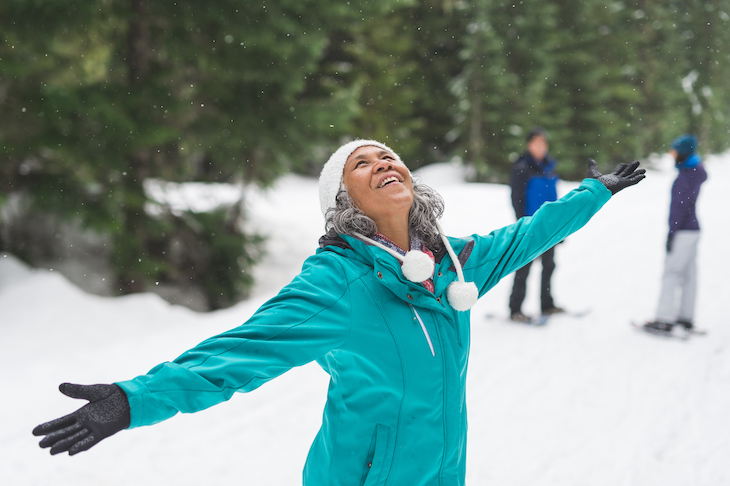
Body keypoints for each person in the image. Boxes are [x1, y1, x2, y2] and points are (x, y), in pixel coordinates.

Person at [32, 139, 645, 485]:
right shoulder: (335, 282)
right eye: (363, 163)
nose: (384, 162)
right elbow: (235, 356)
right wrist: (135, 398)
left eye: (390, 156)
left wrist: (595, 193)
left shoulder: (450, 264)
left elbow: (526, 237)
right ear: (342, 200)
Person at [643, 134, 707, 336]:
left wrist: (672, 233)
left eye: (674, 151)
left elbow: (679, 209)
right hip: (692, 230)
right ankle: (685, 318)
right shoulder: (693, 172)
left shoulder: (685, 176)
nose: (672, 154)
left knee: (671, 273)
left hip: (683, 231)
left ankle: (665, 319)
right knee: (689, 275)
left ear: (683, 152)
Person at [508, 127, 564, 322]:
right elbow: (516, 198)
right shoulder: (522, 167)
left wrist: (559, 226)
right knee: (524, 267)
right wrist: (523, 225)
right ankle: (515, 309)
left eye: (543, 143)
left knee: (549, 265)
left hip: (549, 227)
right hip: (530, 226)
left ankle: (547, 305)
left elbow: (554, 198)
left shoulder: (549, 167)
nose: (540, 147)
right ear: (529, 144)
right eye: (536, 143)